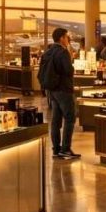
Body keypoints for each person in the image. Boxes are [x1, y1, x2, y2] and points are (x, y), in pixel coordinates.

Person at [39, 28, 80, 160]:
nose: (68, 39)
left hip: (52, 90)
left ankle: (56, 149)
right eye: (67, 37)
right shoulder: (62, 52)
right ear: (62, 38)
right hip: (64, 89)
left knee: (55, 120)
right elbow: (68, 71)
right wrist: (71, 60)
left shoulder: (48, 52)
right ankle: (65, 149)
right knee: (70, 118)